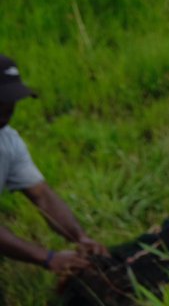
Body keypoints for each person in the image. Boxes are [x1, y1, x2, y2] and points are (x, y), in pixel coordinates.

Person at [0, 55, 108, 277]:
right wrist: (48, 258)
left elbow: (42, 196)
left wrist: (79, 237)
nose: (8, 108)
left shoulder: (8, 141)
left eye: (12, 100)